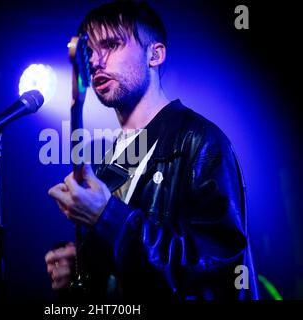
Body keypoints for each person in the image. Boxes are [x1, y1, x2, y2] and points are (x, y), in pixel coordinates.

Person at [45, 0, 258, 301]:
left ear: (154, 55)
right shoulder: (109, 165)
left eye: (112, 44)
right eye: (90, 50)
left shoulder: (200, 141)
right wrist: (81, 270)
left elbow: (219, 270)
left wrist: (108, 217)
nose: (95, 61)